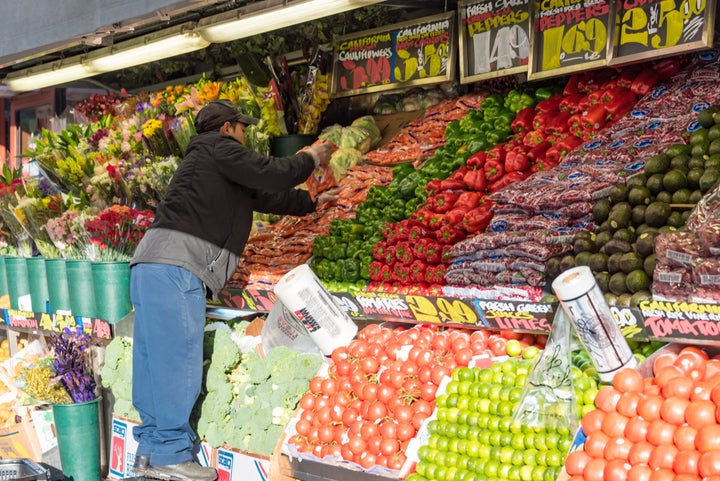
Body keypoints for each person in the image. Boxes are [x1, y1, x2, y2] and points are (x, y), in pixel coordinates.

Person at [129, 99, 334, 481]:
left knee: (152, 366)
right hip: (176, 268)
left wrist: (312, 202)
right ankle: (171, 455)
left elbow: (267, 195)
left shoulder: (210, 165)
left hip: (150, 266)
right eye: (243, 128)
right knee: (176, 364)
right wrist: (311, 157)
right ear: (228, 128)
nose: (245, 136)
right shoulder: (217, 148)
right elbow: (273, 174)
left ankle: (150, 452)